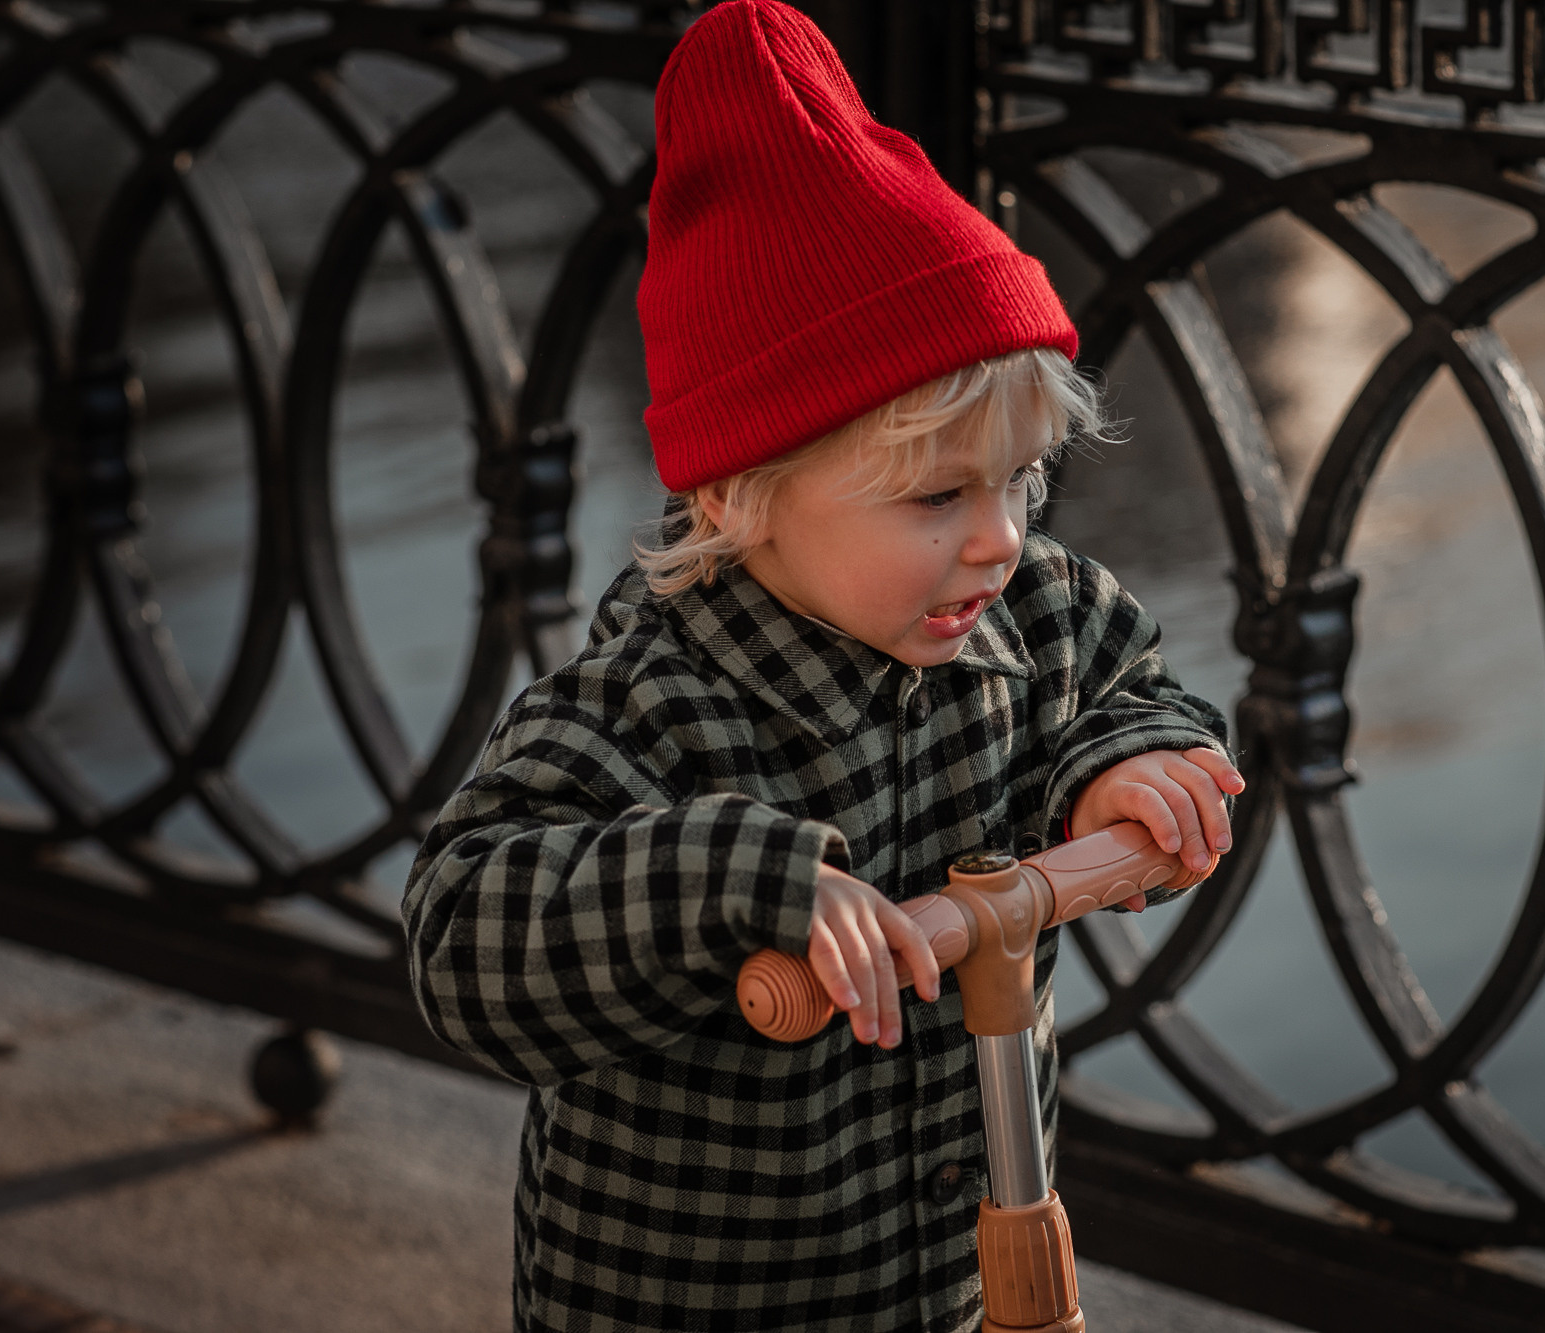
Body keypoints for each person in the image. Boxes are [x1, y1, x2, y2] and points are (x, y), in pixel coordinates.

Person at [402, 3, 1243, 1329]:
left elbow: (1127, 686)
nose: (1000, 535)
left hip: (951, 1270)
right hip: (686, 1303)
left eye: (1022, 477)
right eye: (935, 497)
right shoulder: (662, 695)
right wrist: (731, 877)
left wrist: (1122, 763)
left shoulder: (1027, 608)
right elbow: (459, 932)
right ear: (742, 495)